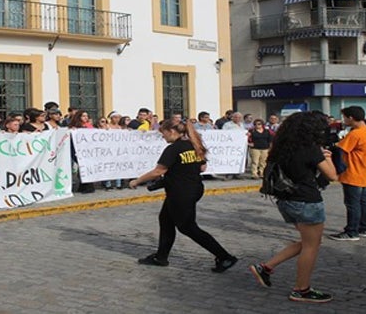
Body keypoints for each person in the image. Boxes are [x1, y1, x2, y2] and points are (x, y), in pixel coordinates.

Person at [249, 111, 338, 303]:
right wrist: (328, 156)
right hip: (306, 200)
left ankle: (266, 267)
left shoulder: (282, 147)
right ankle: (301, 289)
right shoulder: (311, 148)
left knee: (307, 242)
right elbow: (332, 175)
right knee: (311, 246)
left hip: (286, 200)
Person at [129, 119, 238, 272]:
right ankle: (161, 257)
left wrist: (137, 181)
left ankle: (225, 257)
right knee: (165, 220)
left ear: (172, 131)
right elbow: (202, 167)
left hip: (181, 193)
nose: (163, 136)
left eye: (163, 133)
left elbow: (158, 171)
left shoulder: (173, 149)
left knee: (188, 227)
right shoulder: (193, 144)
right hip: (193, 189)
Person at [328, 106, 366, 241]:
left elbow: (341, 149)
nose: (344, 120)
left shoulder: (355, 134)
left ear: (351, 118)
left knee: (353, 204)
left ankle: (351, 231)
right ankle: (364, 228)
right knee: (364, 202)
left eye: (345, 117)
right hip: (365, 171)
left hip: (353, 172)